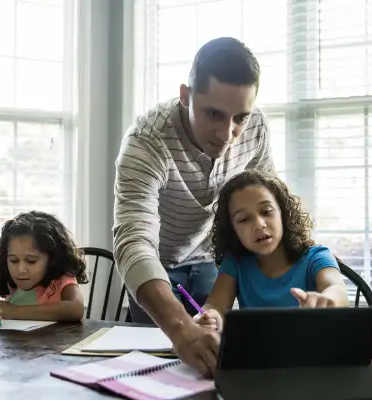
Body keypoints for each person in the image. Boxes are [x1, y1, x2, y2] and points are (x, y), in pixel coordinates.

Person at [113, 37, 276, 377]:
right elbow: (134, 242)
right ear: (186, 96)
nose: (227, 133)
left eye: (239, 118)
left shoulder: (256, 127)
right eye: (213, 114)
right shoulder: (147, 140)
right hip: (154, 270)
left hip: (210, 263)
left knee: (214, 366)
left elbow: (268, 202)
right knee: (159, 373)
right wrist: (180, 328)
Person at [194, 170, 349, 333]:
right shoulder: (235, 262)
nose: (259, 224)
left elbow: (337, 289)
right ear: (232, 230)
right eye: (244, 219)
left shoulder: (316, 256)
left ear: (283, 213)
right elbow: (216, 305)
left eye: (267, 212)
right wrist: (209, 317)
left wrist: (327, 300)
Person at [0, 210, 87, 328]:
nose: (20, 269)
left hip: (51, 348)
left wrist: (14, 311)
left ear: (52, 258)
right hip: (14, 347)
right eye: (13, 260)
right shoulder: (8, 279)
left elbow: (75, 309)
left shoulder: (62, 279)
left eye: (31, 261)